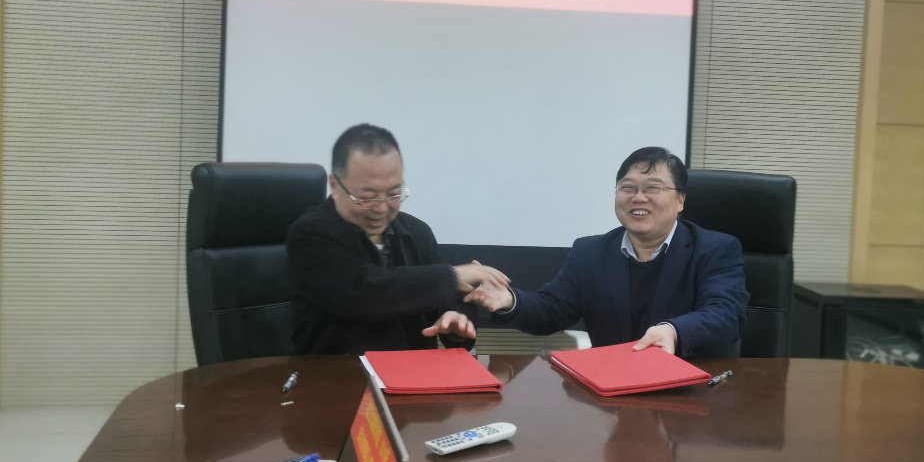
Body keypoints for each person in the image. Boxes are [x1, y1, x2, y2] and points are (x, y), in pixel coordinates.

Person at [466, 147, 747, 358]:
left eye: (653, 188)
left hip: (690, 390)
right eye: (628, 187)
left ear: (680, 200)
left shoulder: (714, 249)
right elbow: (551, 310)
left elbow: (726, 314)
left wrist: (673, 331)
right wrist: (510, 300)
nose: (638, 197)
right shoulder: (590, 252)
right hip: (612, 392)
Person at [287, 124, 507, 355]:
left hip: (412, 371)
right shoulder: (310, 234)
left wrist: (456, 321)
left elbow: (451, 297)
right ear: (334, 185)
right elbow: (366, 294)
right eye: (367, 196)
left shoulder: (416, 232)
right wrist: (450, 276)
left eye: (393, 194)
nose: (381, 208)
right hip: (338, 372)